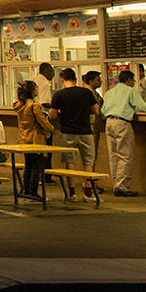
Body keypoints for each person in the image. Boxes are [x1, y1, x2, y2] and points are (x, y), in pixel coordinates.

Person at [102, 69, 146, 195]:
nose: (134, 83)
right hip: (122, 123)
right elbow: (142, 107)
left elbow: (103, 109)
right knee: (125, 155)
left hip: (109, 122)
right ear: (128, 80)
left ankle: (116, 184)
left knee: (113, 155)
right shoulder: (130, 91)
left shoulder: (109, 92)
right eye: (133, 81)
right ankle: (123, 187)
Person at [50, 67, 98, 199]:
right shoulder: (86, 93)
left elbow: (53, 116)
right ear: (75, 79)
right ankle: (88, 194)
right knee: (88, 162)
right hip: (85, 131)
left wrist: (61, 113)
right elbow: (96, 111)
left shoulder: (58, 95)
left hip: (67, 132)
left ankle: (72, 193)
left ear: (62, 80)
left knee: (69, 163)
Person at [14, 79, 54, 199]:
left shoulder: (20, 106)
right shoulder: (34, 106)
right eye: (36, 88)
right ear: (31, 91)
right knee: (37, 166)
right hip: (35, 139)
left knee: (28, 165)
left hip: (24, 138)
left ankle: (26, 190)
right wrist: (51, 128)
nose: (37, 90)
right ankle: (33, 191)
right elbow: (43, 122)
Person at [83, 70, 106, 172]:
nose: (100, 82)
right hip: (91, 126)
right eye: (98, 80)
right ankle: (89, 181)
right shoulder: (88, 93)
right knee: (91, 154)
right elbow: (96, 110)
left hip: (94, 126)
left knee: (92, 154)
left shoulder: (95, 93)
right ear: (91, 81)